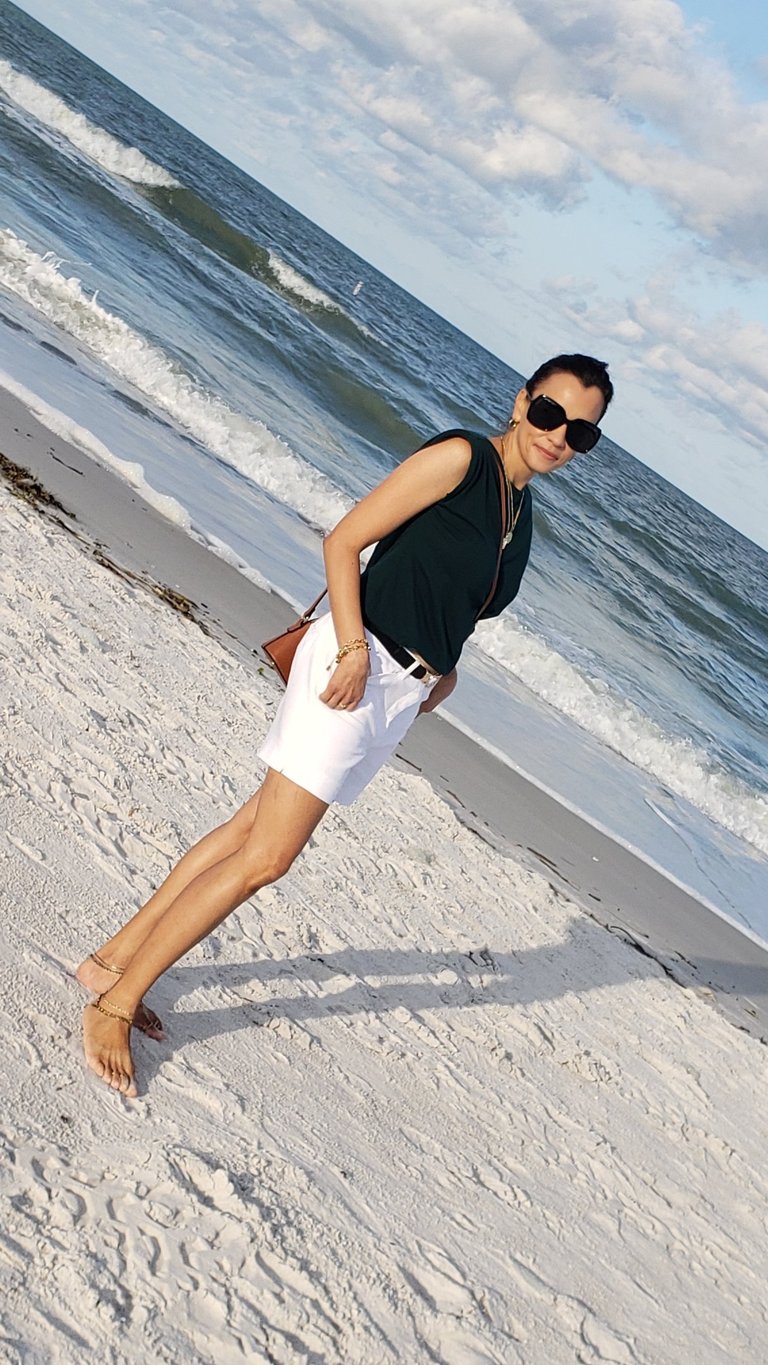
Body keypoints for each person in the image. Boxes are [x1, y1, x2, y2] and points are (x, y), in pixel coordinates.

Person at [80, 352, 613, 1095]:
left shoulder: (521, 515)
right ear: (522, 400)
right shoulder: (463, 458)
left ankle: (111, 960)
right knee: (269, 856)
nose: (559, 436)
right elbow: (345, 539)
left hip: (397, 691)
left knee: (247, 830)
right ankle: (116, 1001)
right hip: (352, 664)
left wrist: (443, 669)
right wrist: (357, 648)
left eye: (580, 433)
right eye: (552, 413)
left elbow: (457, 599)